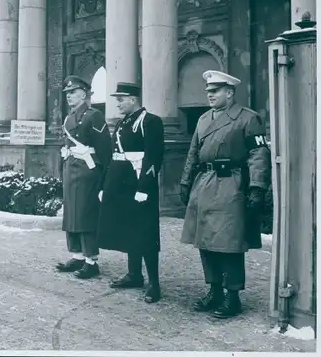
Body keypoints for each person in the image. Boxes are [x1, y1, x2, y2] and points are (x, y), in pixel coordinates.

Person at [180, 70, 271, 318]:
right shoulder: (203, 120)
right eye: (208, 91)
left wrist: (256, 188)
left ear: (229, 93)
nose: (209, 95)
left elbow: (258, 156)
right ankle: (215, 291)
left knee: (228, 243)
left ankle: (233, 297)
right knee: (206, 242)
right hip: (205, 183)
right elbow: (193, 154)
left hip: (231, 184)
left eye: (215, 91)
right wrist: (185, 182)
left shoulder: (248, 119)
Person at [97, 82, 164, 303]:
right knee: (128, 229)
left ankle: (154, 283)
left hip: (139, 183)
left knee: (145, 232)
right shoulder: (123, 123)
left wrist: (145, 188)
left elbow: (154, 157)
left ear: (133, 99)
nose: (117, 103)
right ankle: (134, 274)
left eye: (121, 99)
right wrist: (104, 185)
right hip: (122, 184)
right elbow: (114, 155)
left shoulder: (150, 121)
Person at [56, 75, 112, 279]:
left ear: (84, 93)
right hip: (71, 170)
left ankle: (91, 260)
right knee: (71, 213)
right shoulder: (68, 118)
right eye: (67, 93)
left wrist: (105, 177)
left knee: (86, 214)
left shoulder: (94, 115)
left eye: (73, 92)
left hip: (88, 172)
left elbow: (105, 149)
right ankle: (77, 255)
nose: (69, 96)